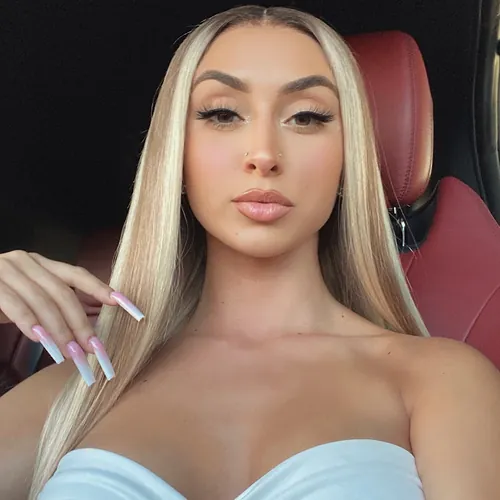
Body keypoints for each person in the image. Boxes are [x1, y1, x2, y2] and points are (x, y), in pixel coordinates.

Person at [0, 5, 499, 499]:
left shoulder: (439, 382)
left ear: (348, 160)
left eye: (306, 117)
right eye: (222, 114)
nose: (263, 154)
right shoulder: (76, 392)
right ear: (176, 153)